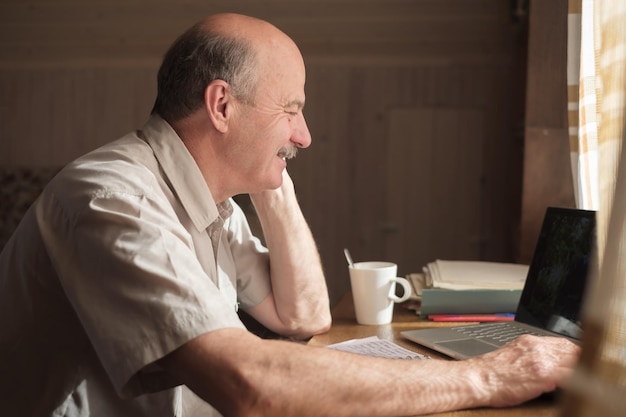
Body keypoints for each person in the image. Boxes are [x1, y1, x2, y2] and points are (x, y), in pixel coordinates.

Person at [0, 12, 580, 417]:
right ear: (221, 105)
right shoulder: (113, 200)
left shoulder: (208, 201)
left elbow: (302, 315)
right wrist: (489, 376)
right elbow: (250, 386)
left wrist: (270, 177)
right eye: (292, 111)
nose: (305, 134)